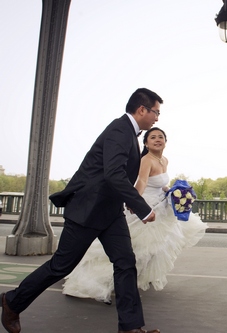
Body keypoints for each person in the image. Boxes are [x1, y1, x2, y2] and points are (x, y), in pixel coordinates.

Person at [1, 88, 163, 333]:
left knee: (125, 262)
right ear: (142, 109)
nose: (157, 118)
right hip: (88, 209)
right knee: (60, 266)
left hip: (109, 212)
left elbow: (115, 175)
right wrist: (141, 207)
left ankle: (130, 328)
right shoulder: (120, 130)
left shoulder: (129, 132)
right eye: (156, 112)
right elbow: (113, 174)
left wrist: (126, 199)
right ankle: (12, 302)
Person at [62, 127, 207, 303]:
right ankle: (98, 281)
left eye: (160, 137)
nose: (157, 139)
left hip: (161, 206)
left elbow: (160, 183)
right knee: (136, 247)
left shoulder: (164, 160)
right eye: (152, 137)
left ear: (165, 142)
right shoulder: (146, 160)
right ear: (146, 143)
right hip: (148, 205)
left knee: (153, 248)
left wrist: (174, 192)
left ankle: (131, 280)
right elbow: (143, 181)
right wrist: (135, 202)